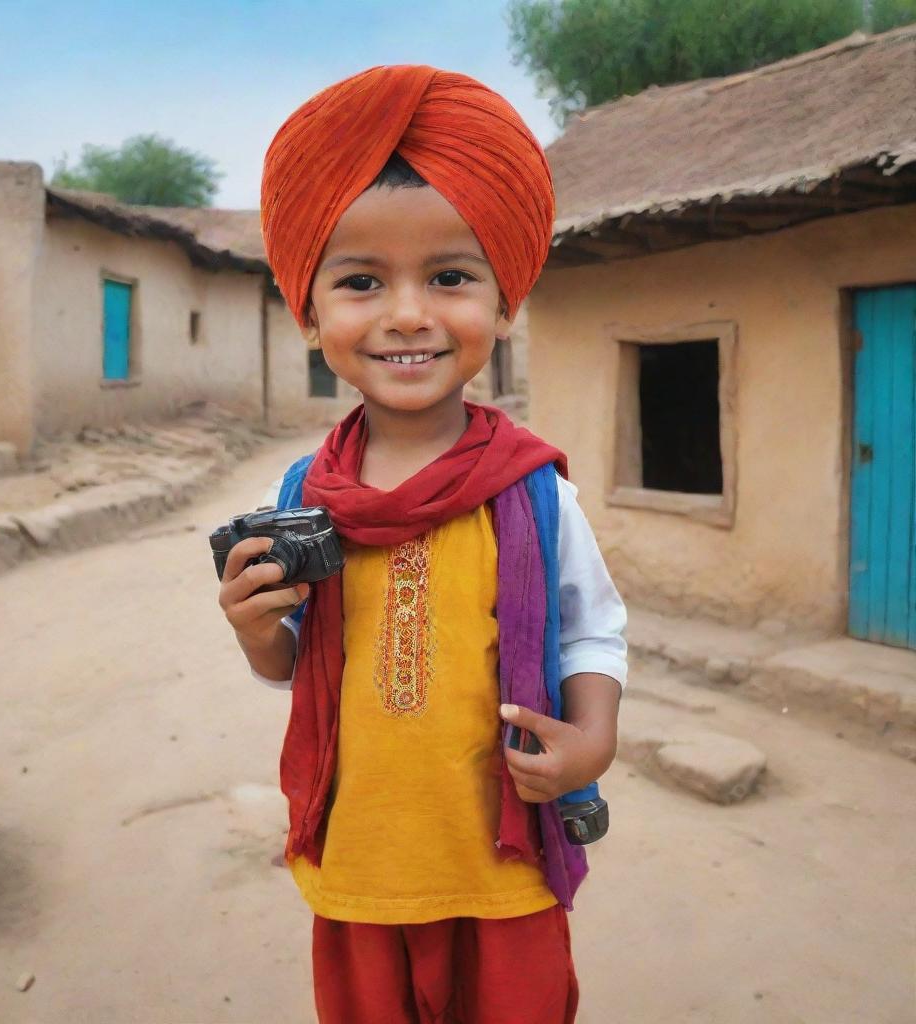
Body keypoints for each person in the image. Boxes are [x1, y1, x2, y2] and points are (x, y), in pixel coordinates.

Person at [218, 64, 627, 1024]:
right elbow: (297, 661)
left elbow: (594, 629)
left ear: (505, 299)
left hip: (503, 862)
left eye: (449, 276)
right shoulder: (301, 498)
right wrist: (253, 632)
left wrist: (591, 742)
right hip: (363, 858)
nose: (407, 314)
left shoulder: (534, 491)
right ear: (310, 312)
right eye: (362, 281)